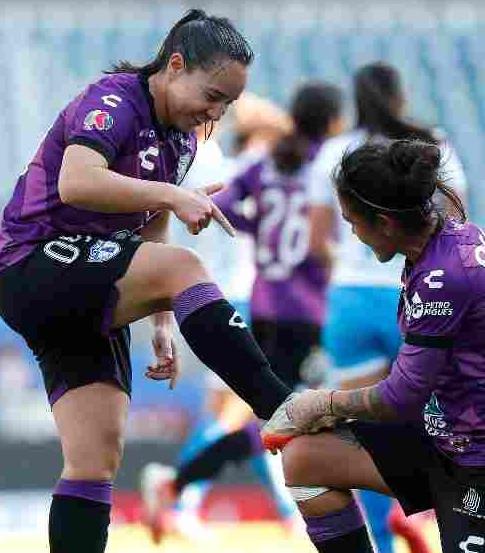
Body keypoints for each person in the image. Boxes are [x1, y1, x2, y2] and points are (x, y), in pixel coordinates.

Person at [0, 10, 291, 552]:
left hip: (86, 284)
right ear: (176, 66)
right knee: (187, 269)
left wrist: (162, 320)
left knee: (95, 456)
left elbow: (151, 225)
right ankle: (280, 406)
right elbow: (78, 182)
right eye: (213, 95)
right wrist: (172, 195)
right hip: (33, 263)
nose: (216, 112)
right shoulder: (113, 101)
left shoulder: (181, 140)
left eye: (227, 104)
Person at [261, 139, 485, 553]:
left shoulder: (445, 276)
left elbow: (400, 397)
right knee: (307, 459)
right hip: (445, 440)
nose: (352, 234)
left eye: (353, 223)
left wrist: (319, 404)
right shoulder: (446, 243)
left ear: (384, 222)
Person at [140, 82, 345, 542]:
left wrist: (259, 225)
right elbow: (324, 237)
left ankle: (192, 490)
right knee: (279, 415)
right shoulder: (323, 167)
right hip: (290, 309)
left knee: (268, 415)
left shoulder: (262, 165)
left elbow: (225, 207)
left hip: (263, 304)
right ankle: (180, 488)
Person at [303, 62, 467, 553]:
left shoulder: (334, 152)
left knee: (367, 431)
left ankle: (381, 541)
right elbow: (455, 224)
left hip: (351, 300)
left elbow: (317, 242)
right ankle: (459, 531)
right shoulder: (432, 145)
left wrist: (352, 263)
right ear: (401, 96)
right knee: (446, 418)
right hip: (416, 294)